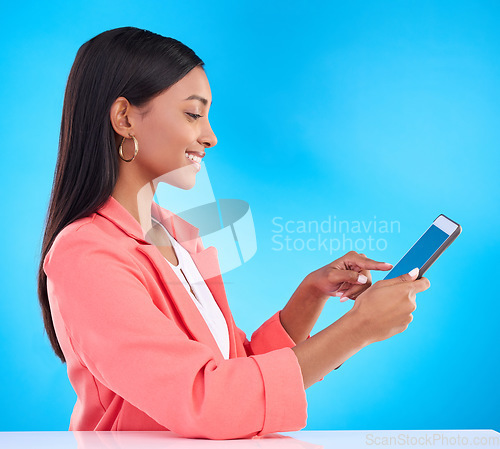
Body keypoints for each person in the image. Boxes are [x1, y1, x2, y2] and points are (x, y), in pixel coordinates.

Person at [37, 27, 430, 440]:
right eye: (193, 114)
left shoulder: (181, 236)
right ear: (125, 117)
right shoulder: (86, 255)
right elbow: (208, 402)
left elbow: (234, 369)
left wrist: (311, 295)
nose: (210, 136)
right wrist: (358, 328)